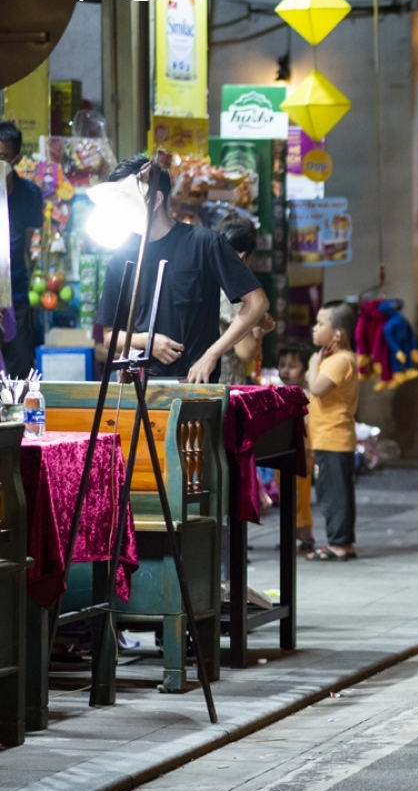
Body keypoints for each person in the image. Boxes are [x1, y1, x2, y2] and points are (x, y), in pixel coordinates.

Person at [95, 155, 268, 383]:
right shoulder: (121, 257)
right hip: (140, 387)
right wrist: (147, 341)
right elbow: (109, 336)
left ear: (156, 199)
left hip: (196, 386)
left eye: (127, 197)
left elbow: (257, 302)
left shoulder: (205, 243)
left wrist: (212, 354)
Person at [305, 301, 361, 562]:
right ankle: (344, 542)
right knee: (336, 491)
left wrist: (313, 364)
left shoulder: (339, 360)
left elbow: (316, 388)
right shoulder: (338, 359)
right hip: (331, 437)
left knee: (333, 494)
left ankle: (338, 544)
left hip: (333, 437)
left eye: (320, 324)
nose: (314, 329)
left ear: (337, 334)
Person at [0, 121, 51, 377]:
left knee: (19, 368)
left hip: (16, 295)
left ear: (16, 158)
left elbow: (35, 240)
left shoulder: (30, 193)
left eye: (2, 156)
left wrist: (37, 270)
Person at [214, 214, 275, 385]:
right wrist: (258, 332)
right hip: (224, 383)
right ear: (242, 256)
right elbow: (246, 351)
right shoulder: (235, 291)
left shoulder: (206, 279)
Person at [277, 341, 316, 553]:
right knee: (286, 495)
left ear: (305, 371)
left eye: (292, 366)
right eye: (282, 364)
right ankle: (291, 534)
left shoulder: (307, 395)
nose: (285, 370)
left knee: (301, 495)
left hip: (302, 452)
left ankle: (305, 535)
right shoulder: (277, 392)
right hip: (282, 452)